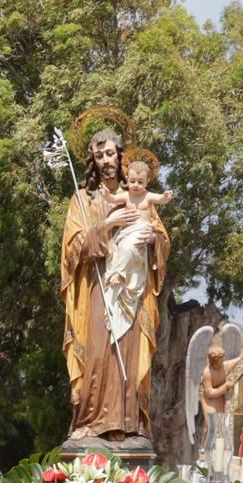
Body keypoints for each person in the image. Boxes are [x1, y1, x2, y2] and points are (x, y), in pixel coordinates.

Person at [60, 127, 170, 444]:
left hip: (131, 290)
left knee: (129, 352)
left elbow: (160, 237)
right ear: (92, 161)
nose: (106, 160)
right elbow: (71, 249)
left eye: (110, 153)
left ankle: (128, 421)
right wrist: (106, 225)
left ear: (120, 155)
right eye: (99, 155)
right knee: (96, 352)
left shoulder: (138, 194)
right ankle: (91, 420)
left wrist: (154, 241)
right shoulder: (82, 200)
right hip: (97, 287)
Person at [97, 159, 173, 342]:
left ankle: (120, 274)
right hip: (127, 231)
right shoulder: (125, 195)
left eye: (140, 182)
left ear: (147, 182)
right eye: (132, 181)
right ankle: (118, 273)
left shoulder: (148, 196)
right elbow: (112, 199)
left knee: (131, 248)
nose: (136, 185)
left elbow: (160, 199)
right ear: (127, 179)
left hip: (142, 230)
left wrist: (166, 197)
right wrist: (106, 194)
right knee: (122, 247)